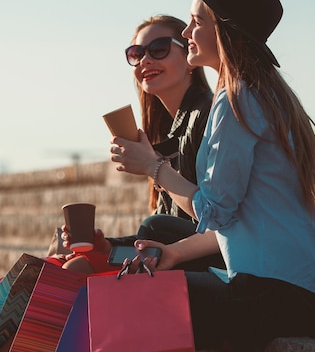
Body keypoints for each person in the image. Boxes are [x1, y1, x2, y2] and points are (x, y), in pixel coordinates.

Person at [109, 0, 315, 351]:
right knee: (157, 245)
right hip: (299, 289)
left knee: (142, 296)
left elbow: (216, 211)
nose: (186, 32)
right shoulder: (263, 93)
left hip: (277, 293)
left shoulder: (237, 101)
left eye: (196, 21)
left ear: (223, 31)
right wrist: (174, 251)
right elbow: (233, 218)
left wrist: (153, 167)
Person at [56, 15, 224, 274]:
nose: (145, 60)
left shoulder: (208, 114)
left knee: (78, 267)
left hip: (212, 261)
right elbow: (166, 237)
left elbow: (206, 222)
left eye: (159, 49)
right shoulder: (162, 131)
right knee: (61, 258)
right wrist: (106, 246)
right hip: (176, 254)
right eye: (136, 53)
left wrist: (153, 166)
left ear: (189, 56)